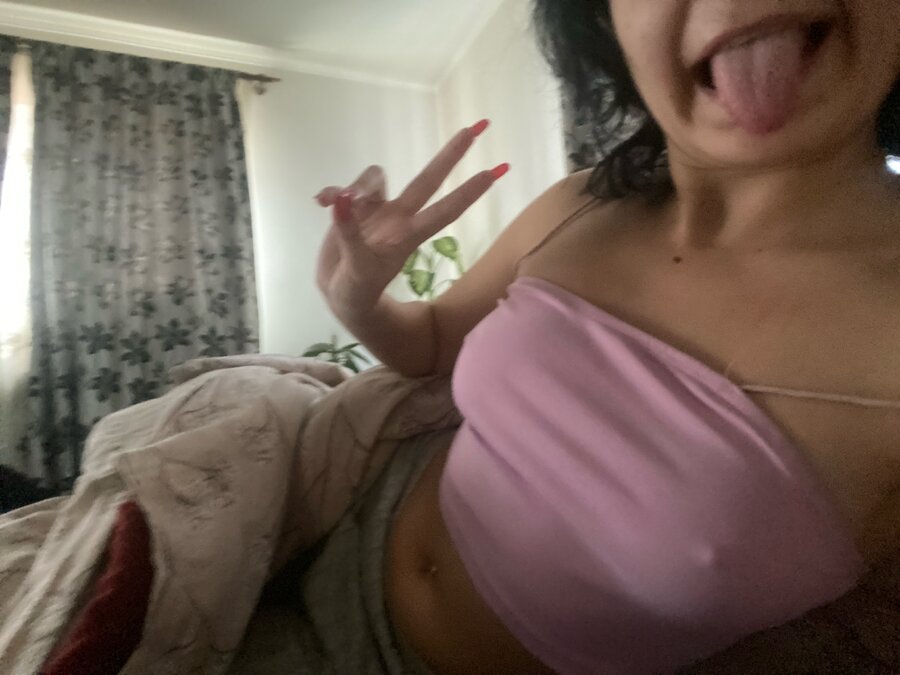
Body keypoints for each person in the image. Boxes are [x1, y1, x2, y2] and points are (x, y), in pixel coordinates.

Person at [313, 0, 900, 672]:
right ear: (605, 25)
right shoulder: (578, 204)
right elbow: (434, 342)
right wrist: (359, 301)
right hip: (337, 541)